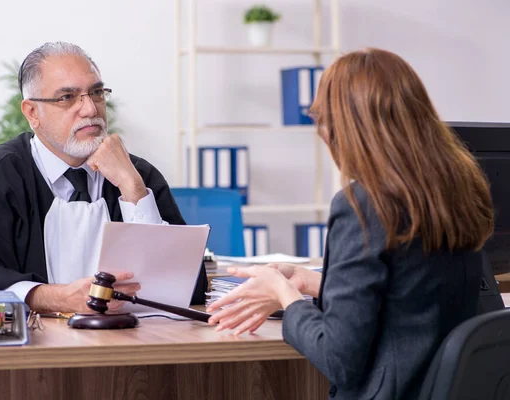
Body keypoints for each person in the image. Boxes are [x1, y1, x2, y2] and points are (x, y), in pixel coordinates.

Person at [207, 48, 494, 400]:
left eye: (323, 124)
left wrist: (284, 294)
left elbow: (338, 358)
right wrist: (313, 283)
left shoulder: (363, 205)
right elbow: (415, 295)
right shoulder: (458, 190)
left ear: (345, 129)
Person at [0, 42, 207, 312]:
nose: (90, 109)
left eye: (96, 93)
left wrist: (132, 189)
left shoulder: (138, 173)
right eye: (67, 97)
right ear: (32, 113)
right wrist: (52, 297)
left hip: (130, 349)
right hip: (32, 355)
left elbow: (186, 289)